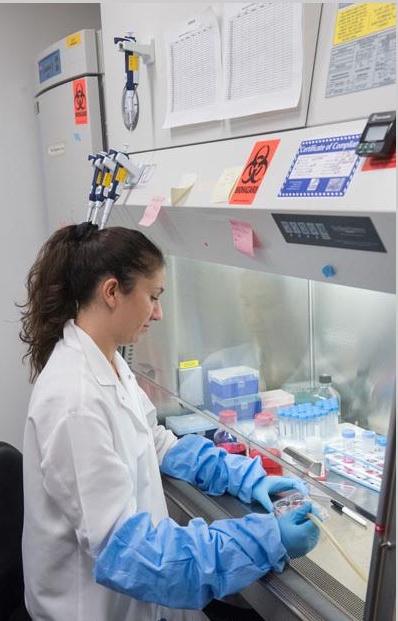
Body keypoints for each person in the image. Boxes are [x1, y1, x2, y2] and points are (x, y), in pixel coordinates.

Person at [19, 223, 320, 621]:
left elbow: (157, 441)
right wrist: (266, 538)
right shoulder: (74, 402)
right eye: (153, 296)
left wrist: (246, 478)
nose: (159, 313)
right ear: (112, 292)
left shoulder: (107, 361)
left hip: (140, 602)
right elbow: (132, 554)